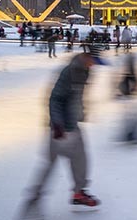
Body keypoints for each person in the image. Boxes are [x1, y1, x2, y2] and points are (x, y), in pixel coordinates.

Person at [20, 46, 105, 218]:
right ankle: (34, 198)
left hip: (72, 124)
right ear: (86, 56)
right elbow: (55, 99)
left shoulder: (85, 71)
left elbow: (76, 96)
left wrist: (80, 110)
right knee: (50, 163)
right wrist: (58, 124)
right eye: (93, 61)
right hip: (60, 128)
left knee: (80, 158)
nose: (94, 65)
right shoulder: (70, 72)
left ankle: (79, 193)